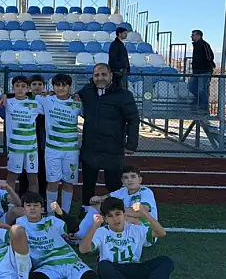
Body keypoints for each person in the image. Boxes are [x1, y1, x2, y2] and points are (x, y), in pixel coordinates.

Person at [78, 63, 139, 208]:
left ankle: (115, 212)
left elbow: (133, 119)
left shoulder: (124, 95)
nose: (100, 78)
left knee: (114, 185)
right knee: (88, 184)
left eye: (103, 74)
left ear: (111, 75)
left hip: (113, 149)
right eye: (96, 75)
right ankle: (86, 211)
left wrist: (131, 144)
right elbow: (70, 97)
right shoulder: (86, 91)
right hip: (90, 148)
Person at [79, 199, 173, 279]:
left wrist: (145, 214)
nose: (115, 219)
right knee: (103, 266)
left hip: (134, 267)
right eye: (110, 216)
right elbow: (83, 249)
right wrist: (94, 226)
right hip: (114, 268)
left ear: (124, 215)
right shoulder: (101, 232)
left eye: (118, 214)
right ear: (105, 219)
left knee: (165, 261)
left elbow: (161, 233)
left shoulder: (135, 229)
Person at [17, 192, 96, 279]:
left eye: (36, 205)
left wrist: (61, 213)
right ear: (23, 209)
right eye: (28, 205)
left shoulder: (52, 220)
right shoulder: (19, 223)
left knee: (90, 277)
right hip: (46, 266)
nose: (32, 208)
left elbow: (74, 228)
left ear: (42, 209)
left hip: (69, 260)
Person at [35, 73, 82, 215]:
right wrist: (6, 95)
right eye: (57, 85)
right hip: (52, 150)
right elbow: (24, 96)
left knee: (68, 183)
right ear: (53, 87)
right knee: (53, 183)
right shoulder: (46, 100)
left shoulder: (77, 102)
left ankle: (64, 214)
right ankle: (51, 215)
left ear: (70, 87)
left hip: (71, 151)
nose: (60, 88)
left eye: (64, 85)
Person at [0, 76, 42, 194]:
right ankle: (10, 202)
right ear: (12, 88)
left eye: (23, 86)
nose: (20, 89)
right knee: (12, 177)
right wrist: (4, 95)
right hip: (15, 148)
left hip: (31, 148)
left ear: (27, 88)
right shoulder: (8, 102)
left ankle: (34, 202)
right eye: (17, 86)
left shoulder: (35, 103)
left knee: (33, 179)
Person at [90, 166, 158, 232]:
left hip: (148, 228)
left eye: (133, 177)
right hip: (130, 228)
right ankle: (84, 234)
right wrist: (95, 199)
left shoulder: (146, 192)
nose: (129, 180)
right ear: (122, 181)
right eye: (126, 177)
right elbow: (102, 198)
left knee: (120, 218)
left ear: (140, 180)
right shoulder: (122, 191)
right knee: (96, 207)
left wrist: (113, 210)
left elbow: (141, 213)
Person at [29, 75, 48, 200]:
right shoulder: (25, 99)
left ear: (44, 86)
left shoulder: (48, 99)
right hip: (28, 142)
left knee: (42, 171)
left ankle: (42, 199)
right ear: (30, 87)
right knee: (26, 172)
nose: (37, 87)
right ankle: (25, 197)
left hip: (42, 142)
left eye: (40, 84)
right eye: (34, 84)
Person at [189, 29, 215, 113]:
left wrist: (204, 65)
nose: (191, 37)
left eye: (193, 35)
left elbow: (210, 57)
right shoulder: (196, 46)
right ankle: (198, 103)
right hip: (196, 71)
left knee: (202, 89)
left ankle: (203, 108)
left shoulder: (204, 45)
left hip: (204, 71)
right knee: (191, 88)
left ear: (198, 36)